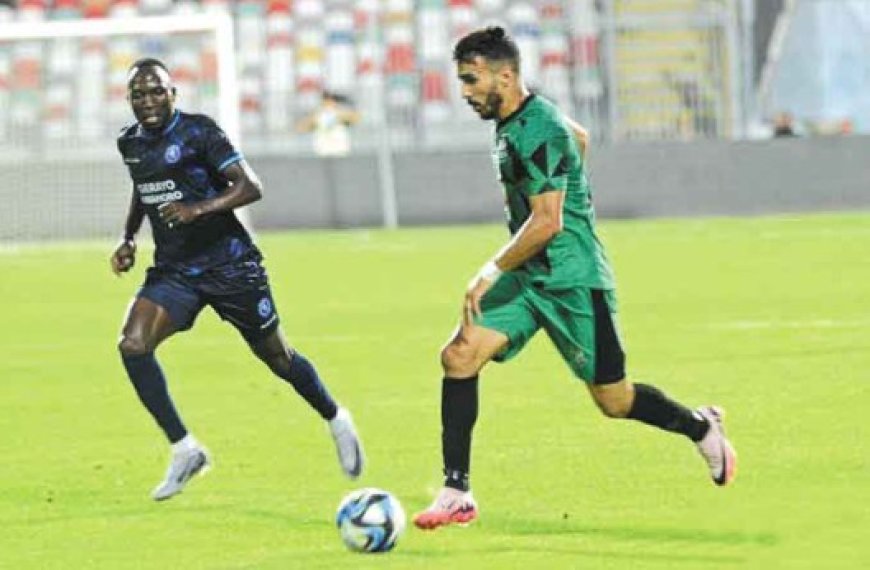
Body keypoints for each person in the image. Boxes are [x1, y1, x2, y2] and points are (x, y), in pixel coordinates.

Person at [412, 27, 737, 530]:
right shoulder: (519, 118)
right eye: (461, 80)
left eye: (472, 79)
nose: (465, 92)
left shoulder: (538, 128)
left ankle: (699, 427)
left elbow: (547, 222)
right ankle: (458, 491)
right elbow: (579, 137)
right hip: (529, 277)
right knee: (459, 355)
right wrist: (574, 190)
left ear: (505, 74)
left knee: (614, 400)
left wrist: (489, 270)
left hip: (573, 280)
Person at [111, 58, 364, 501]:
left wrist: (197, 209)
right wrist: (128, 237)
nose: (148, 101)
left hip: (230, 265)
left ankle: (335, 417)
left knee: (278, 357)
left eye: (157, 92)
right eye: (139, 94)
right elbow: (143, 185)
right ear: (129, 99)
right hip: (175, 271)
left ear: (174, 95)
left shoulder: (199, 132)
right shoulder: (130, 143)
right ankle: (185, 449)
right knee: (132, 343)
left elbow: (250, 187)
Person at [295, 91, 360, 157]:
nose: (328, 104)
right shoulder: (317, 115)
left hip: (339, 150)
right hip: (323, 151)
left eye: (330, 101)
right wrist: (313, 120)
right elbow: (300, 128)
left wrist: (338, 115)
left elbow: (356, 119)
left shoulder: (341, 113)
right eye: (326, 101)